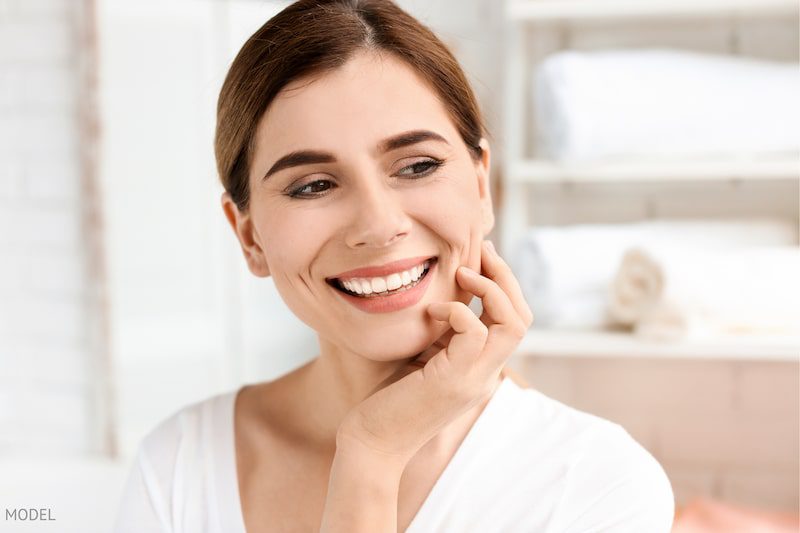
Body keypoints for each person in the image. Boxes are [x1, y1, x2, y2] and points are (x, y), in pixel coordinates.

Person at [112, 1, 675, 531]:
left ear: (481, 187)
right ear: (249, 236)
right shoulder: (178, 466)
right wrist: (370, 459)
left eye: (417, 166)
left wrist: (371, 454)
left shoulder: (597, 482)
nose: (379, 226)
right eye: (313, 185)